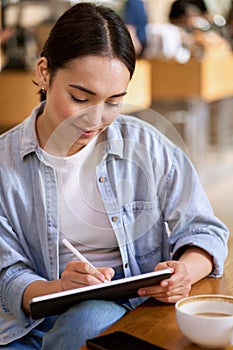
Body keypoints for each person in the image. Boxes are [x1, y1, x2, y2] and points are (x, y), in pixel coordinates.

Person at [0, 2, 229, 349]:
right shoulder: (6, 164)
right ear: (44, 72)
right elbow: (8, 275)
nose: (95, 120)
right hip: (31, 319)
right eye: (80, 98)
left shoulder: (146, 146)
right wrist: (57, 290)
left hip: (130, 305)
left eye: (113, 101)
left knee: (91, 319)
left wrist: (184, 273)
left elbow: (205, 230)